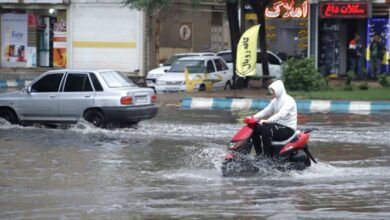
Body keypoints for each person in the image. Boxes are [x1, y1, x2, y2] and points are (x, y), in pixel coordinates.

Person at [250, 80, 297, 157]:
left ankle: (266, 156)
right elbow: (265, 112)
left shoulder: (289, 100)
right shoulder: (275, 101)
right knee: (255, 127)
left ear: (279, 90)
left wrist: (268, 121)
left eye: (273, 91)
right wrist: (253, 117)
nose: (272, 93)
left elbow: (281, 114)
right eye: (271, 91)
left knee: (266, 129)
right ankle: (258, 154)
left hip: (288, 129)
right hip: (277, 126)